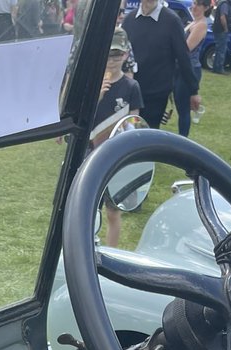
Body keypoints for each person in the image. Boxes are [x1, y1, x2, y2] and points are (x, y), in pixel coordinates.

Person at [91, 27, 143, 246]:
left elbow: (133, 124)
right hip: (90, 155)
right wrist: (98, 96)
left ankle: (111, 253)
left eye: (117, 55)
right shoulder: (93, 84)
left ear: (124, 55)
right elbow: (82, 121)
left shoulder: (131, 87)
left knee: (113, 212)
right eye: (108, 54)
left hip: (115, 158)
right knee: (88, 211)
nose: (112, 60)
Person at [122, 0, 197, 129]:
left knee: (148, 132)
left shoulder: (172, 21)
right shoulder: (129, 20)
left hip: (156, 92)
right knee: (128, 131)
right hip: (131, 91)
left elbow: (183, 56)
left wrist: (193, 90)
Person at [173, 0, 209, 135]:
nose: (194, 7)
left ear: (205, 8)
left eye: (198, 4)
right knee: (179, 104)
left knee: (183, 108)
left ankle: (183, 138)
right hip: (180, 67)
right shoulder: (192, 23)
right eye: (194, 3)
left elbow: (186, 48)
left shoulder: (201, 25)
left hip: (190, 69)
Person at [211, 0, 231, 70]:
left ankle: (215, 67)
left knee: (218, 49)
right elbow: (222, 17)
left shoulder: (221, 3)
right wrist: (226, 28)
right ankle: (219, 68)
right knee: (221, 50)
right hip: (221, 30)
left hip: (218, 29)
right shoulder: (225, 4)